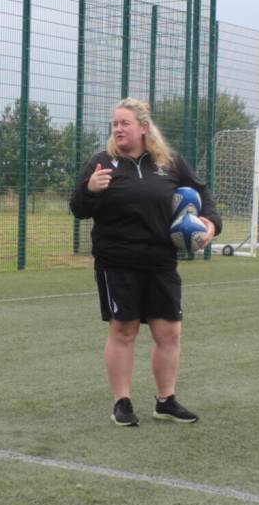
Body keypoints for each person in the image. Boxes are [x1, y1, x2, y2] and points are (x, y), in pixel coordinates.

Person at [70, 98, 220, 426]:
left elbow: (202, 195)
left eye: (125, 123)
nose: (118, 129)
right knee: (124, 331)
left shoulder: (169, 163)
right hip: (117, 262)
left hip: (161, 262)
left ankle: (165, 401)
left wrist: (210, 222)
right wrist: (91, 190)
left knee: (169, 333)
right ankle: (121, 402)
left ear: (143, 127)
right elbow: (78, 208)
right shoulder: (101, 163)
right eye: (114, 124)